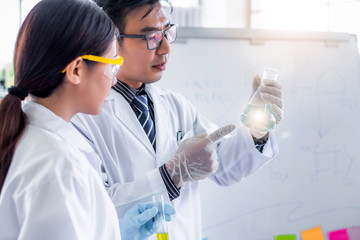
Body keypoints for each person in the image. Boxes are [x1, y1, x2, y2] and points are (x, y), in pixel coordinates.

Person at [71, 0, 284, 239]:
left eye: (166, 33)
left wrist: (257, 132)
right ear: (110, 40)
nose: (165, 49)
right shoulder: (82, 117)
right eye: (151, 37)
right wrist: (171, 175)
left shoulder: (176, 106)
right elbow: (92, 208)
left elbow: (224, 167)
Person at [0, 0, 174, 239]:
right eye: (112, 65)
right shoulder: (58, 166)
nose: (113, 80)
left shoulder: (29, 135)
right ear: (76, 70)